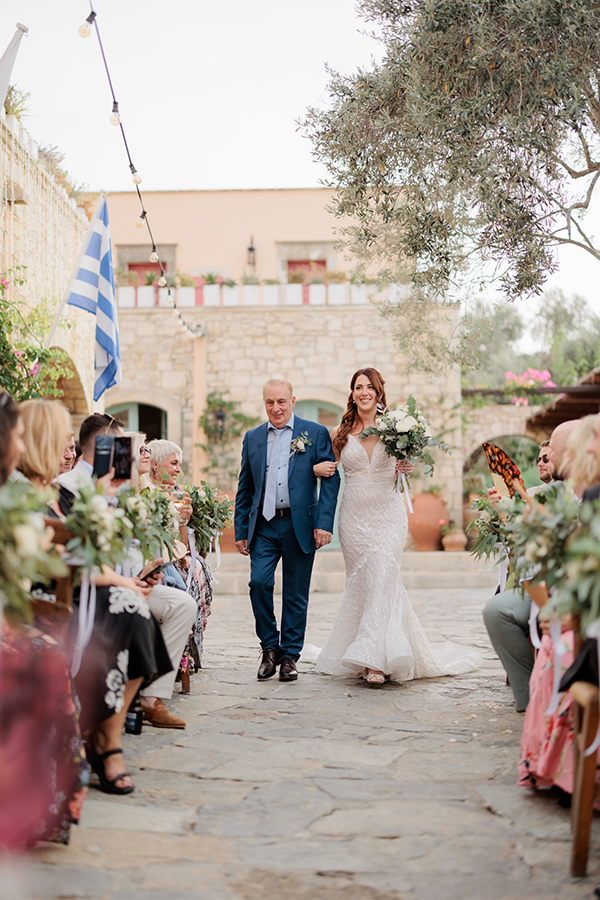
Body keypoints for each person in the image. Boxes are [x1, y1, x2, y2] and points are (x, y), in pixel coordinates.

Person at [311, 368, 479, 686]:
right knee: (365, 584)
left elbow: (403, 471)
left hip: (388, 516)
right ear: (352, 393)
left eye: (369, 387)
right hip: (354, 519)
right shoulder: (339, 432)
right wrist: (316, 469)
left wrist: (406, 466)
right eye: (358, 387)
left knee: (381, 575)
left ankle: (374, 660)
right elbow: (329, 473)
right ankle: (369, 652)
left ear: (378, 392)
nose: (364, 392)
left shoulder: (396, 428)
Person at [234, 378, 340, 682]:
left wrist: (324, 524)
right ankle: (269, 648)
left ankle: (290, 655)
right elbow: (245, 487)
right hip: (264, 525)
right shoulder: (252, 438)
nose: (276, 408)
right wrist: (241, 529)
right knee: (259, 583)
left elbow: (331, 479)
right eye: (270, 402)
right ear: (264, 403)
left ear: (292, 401)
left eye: (281, 402)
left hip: (300, 524)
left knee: (295, 593)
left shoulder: (315, 433)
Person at [518, 415, 600, 797]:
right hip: (588, 616)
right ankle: (559, 766)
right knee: (557, 645)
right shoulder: (587, 498)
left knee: (561, 649)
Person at [483, 419, 579, 711]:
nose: (544, 461)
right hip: (546, 580)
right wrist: (503, 512)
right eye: (542, 457)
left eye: (550, 455)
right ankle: (529, 696)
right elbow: (525, 538)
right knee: (496, 609)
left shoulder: (585, 490)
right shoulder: (548, 492)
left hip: (578, 584)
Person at [125, 433, 196, 728]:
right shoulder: (123, 492)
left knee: (185, 603)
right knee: (180, 590)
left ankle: (152, 696)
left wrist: (182, 521)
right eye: (142, 449)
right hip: (120, 579)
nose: (147, 454)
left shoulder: (152, 492)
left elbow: (176, 548)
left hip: (149, 571)